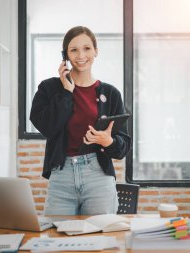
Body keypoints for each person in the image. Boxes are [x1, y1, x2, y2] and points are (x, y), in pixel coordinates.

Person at [30, 26, 131, 215]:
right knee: (56, 238)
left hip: (98, 176)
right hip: (61, 175)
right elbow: (47, 127)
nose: (81, 55)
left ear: (96, 51)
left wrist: (108, 141)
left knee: (99, 238)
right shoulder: (49, 88)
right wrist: (67, 92)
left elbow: (123, 147)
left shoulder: (111, 93)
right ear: (65, 55)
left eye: (87, 48)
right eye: (73, 50)